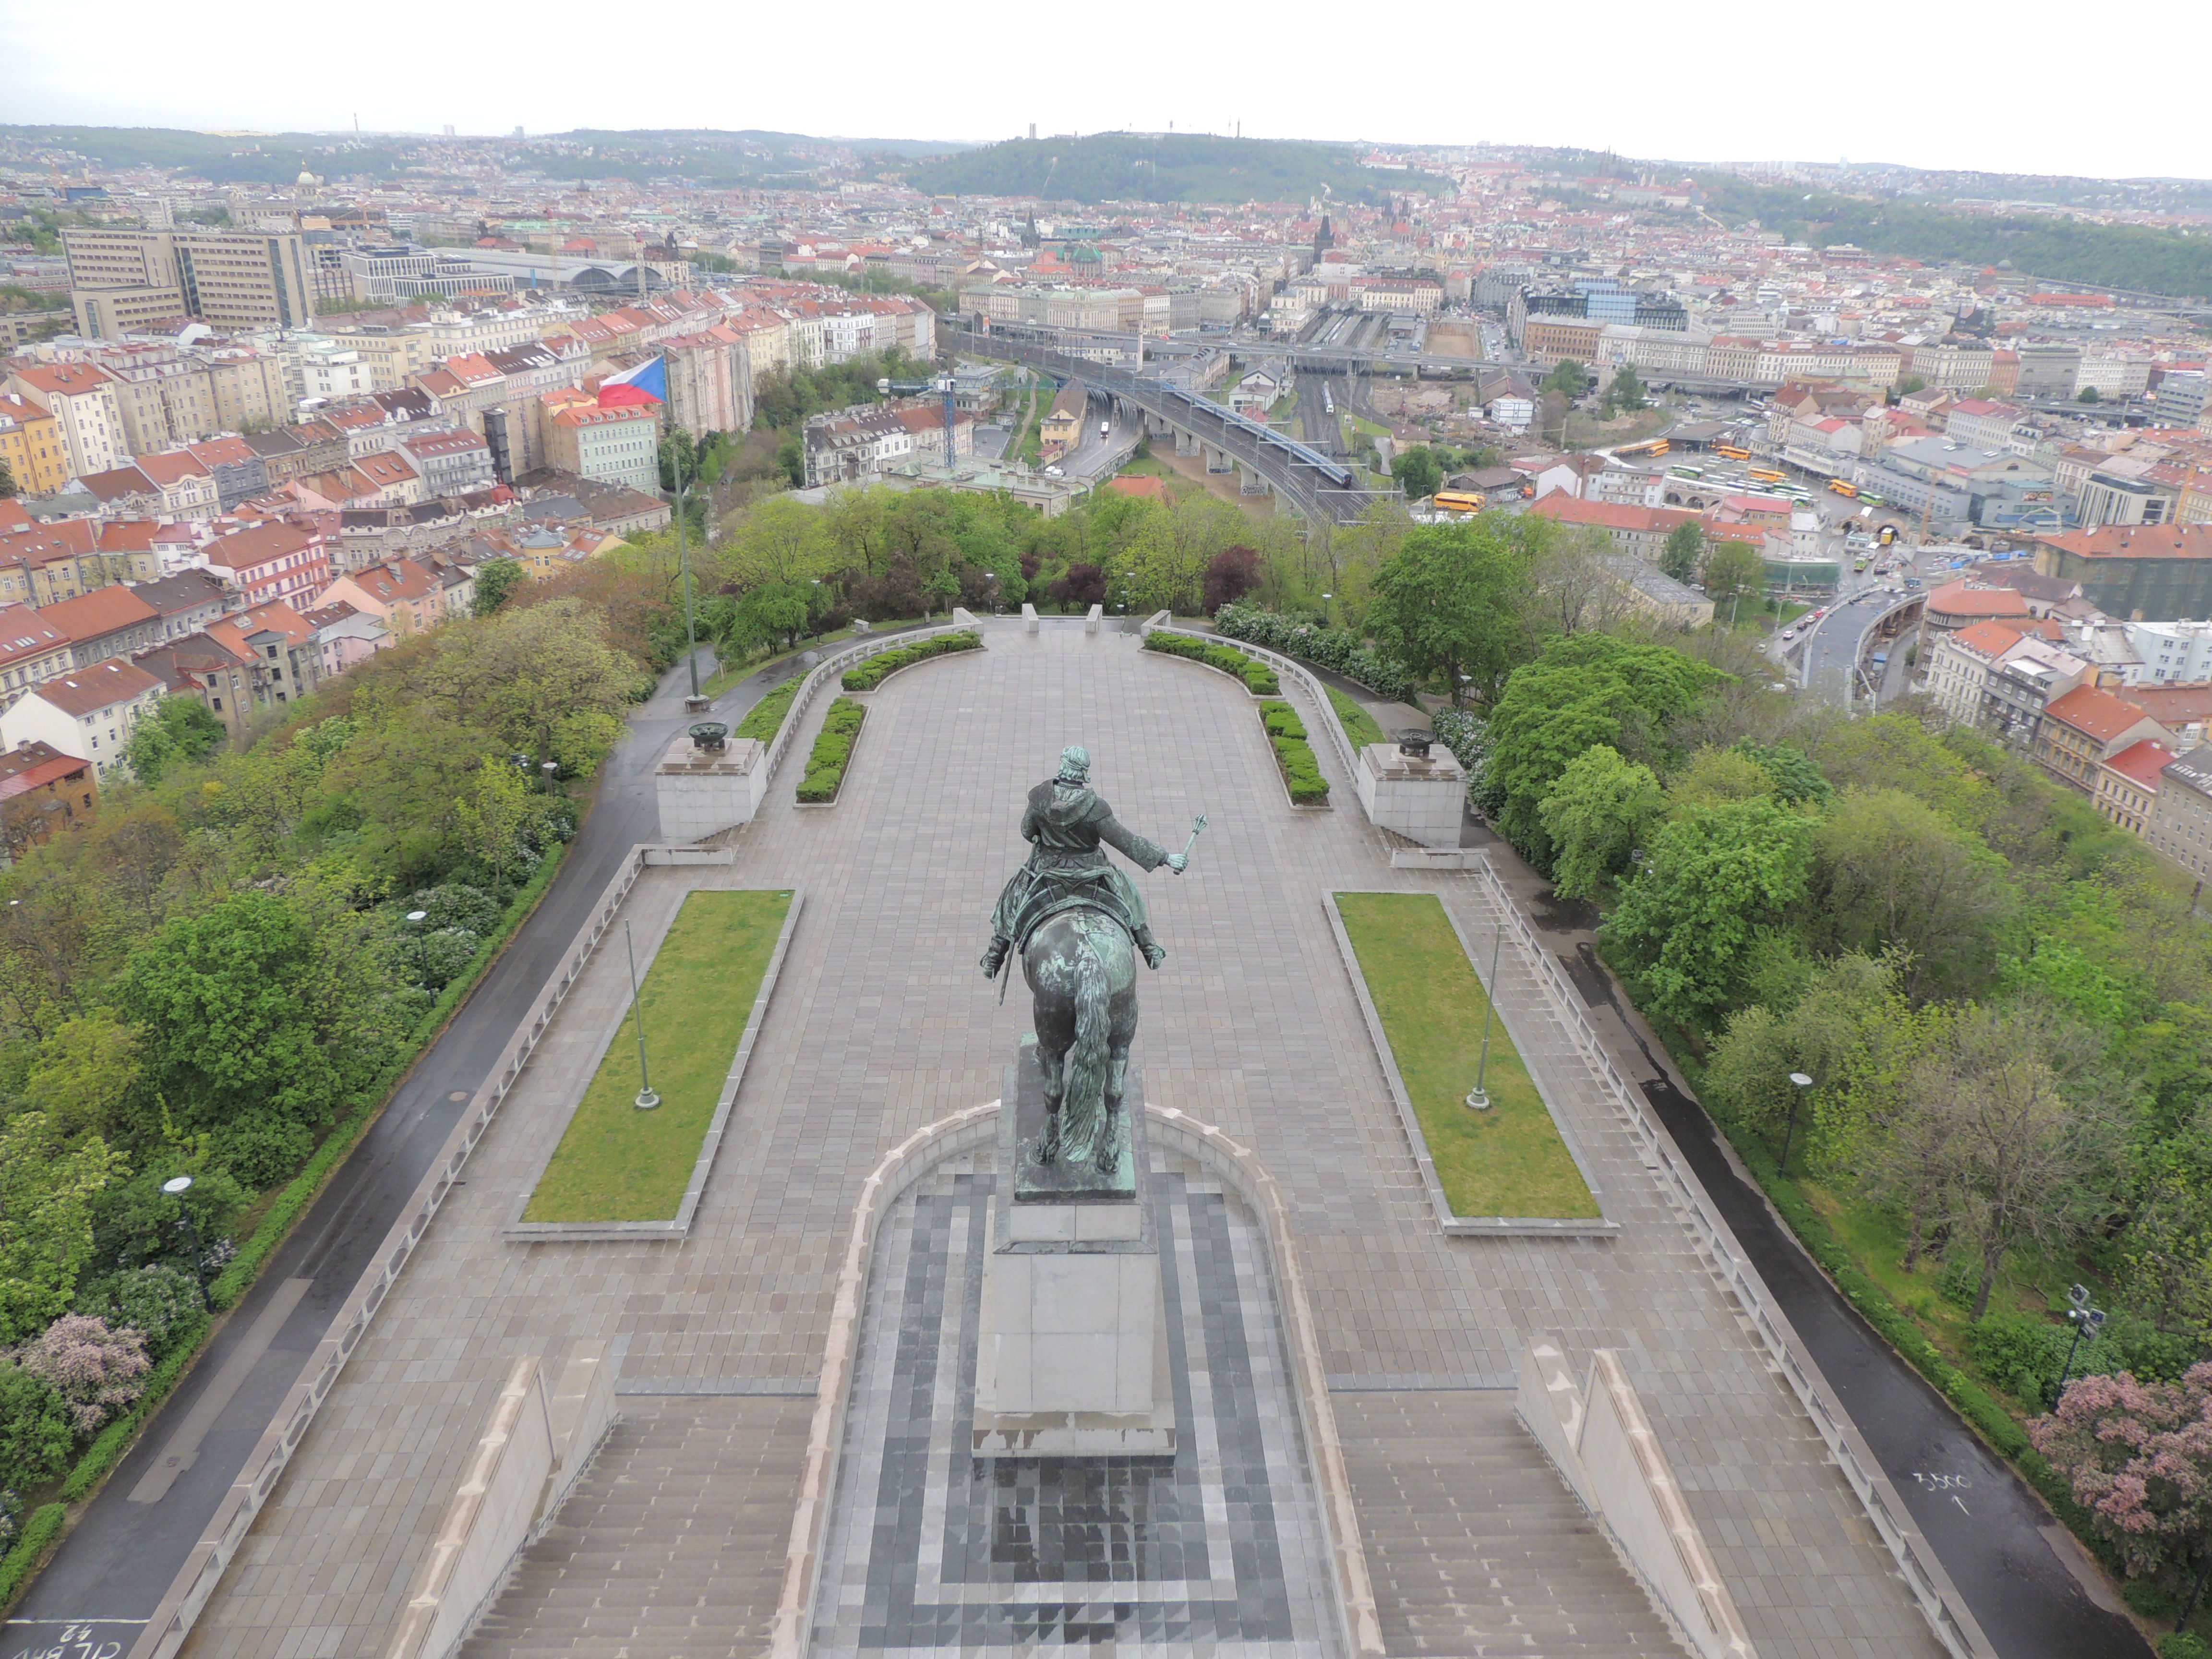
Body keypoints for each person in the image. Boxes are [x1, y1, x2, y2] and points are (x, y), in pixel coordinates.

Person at [981, 745, 1186, 977]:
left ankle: (994, 956)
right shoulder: (1096, 808)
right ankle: (1149, 948)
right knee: (1128, 892)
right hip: (1092, 873)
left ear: (1063, 767)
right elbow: (1127, 842)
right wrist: (1167, 858)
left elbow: (1027, 832)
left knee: (1013, 897)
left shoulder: (1039, 798)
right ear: (1083, 773)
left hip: (1048, 872)